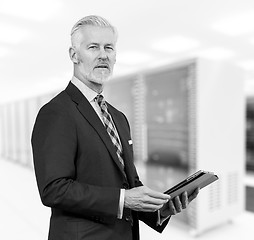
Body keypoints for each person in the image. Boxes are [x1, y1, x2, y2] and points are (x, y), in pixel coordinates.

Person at [31, 15, 199, 240]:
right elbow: (54, 189)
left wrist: (162, 208)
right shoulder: (56, 112)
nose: (103, 55)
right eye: (93, 47)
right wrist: (123, 199)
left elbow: (130, 186)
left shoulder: (118, 117)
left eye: (109, 48)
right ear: (74, 55)